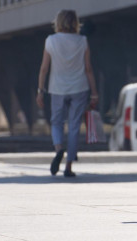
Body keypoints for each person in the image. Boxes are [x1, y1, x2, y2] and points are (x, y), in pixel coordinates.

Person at [36, 10, 99, 177]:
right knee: (74, 126)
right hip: (79, 87)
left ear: (58, 22)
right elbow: (88, 69)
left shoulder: (50, 41)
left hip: (57, 89)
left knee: (56, 121)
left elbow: (44, 69)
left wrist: (40, 91)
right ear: (75, 23)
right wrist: (94, 93)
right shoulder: (82, 41)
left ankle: (58, 148)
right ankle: (69, 167)